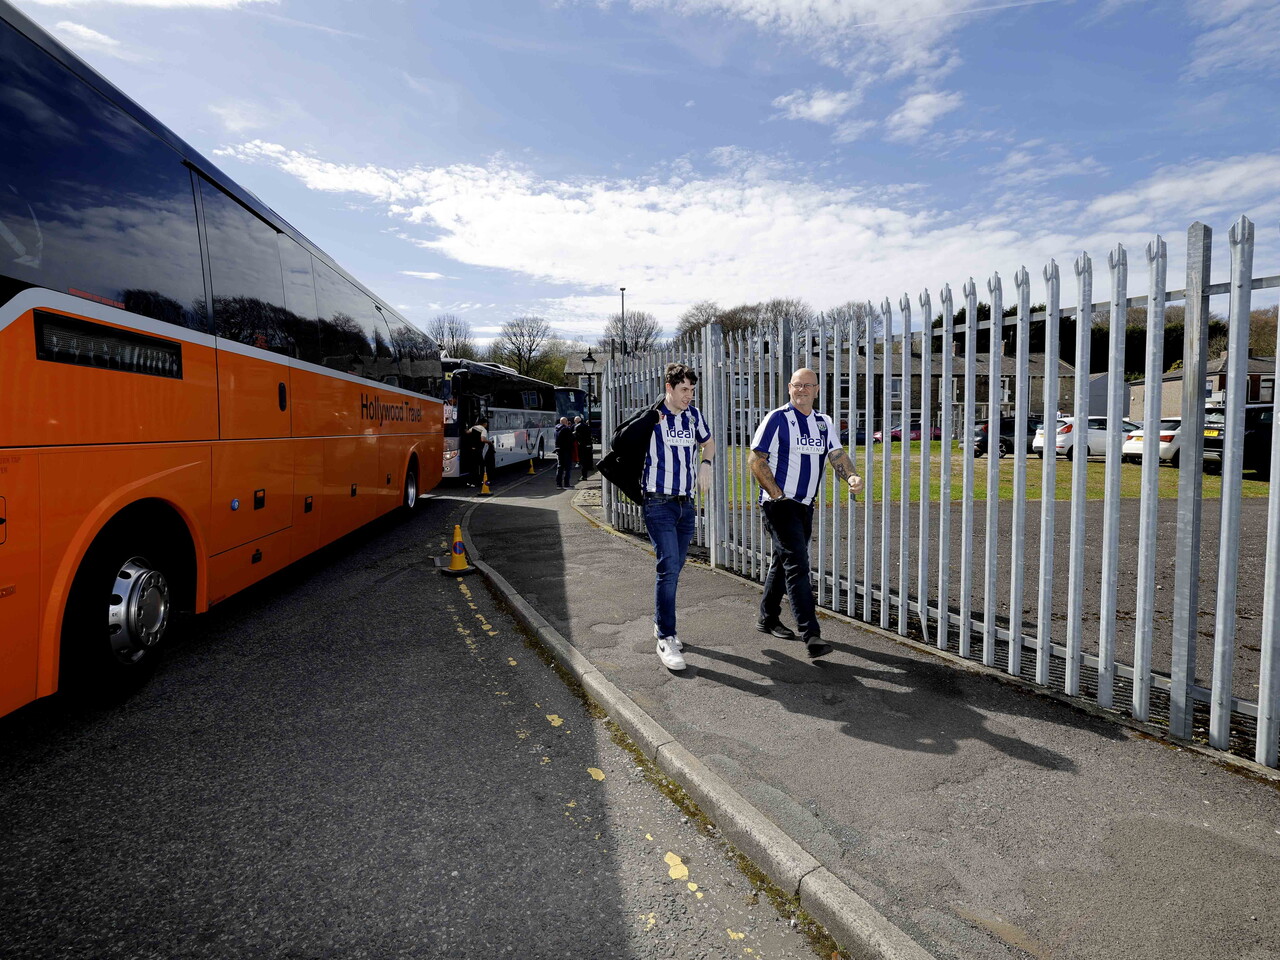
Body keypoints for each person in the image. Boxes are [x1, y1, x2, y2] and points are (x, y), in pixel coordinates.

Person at [604, 363, 714, 671]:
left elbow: (708, 442)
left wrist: (706, 462)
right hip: (658, 504)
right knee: (668, 568)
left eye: (692, 390)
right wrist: (651, 417)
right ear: (669, 388)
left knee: (676, 567)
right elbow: (619, 443)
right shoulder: (653, 416)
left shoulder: (694, 416)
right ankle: (666, 636)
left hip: (685, 505)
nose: (689, 396)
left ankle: (660, 621)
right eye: (684, 390)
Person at [749, 367, 863, 660]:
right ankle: (811, 633)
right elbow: (756, 459)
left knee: (783, 560)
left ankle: (767, 617)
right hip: (779, 504)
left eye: (807, 386)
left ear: (817, 390)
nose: (802, 390)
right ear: (789, 388)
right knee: (797, 563)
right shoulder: (777, 419)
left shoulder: (823, 423)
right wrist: (777, 494)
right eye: (797, 385)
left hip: (805, 505)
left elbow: (836, 455)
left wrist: (850, 477)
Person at [468, 417, 494, 488]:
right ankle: (480, 481)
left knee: (473, 466)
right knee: (481, 465)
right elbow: (482, 439)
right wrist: (489, 442)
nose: (486, 425)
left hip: (472, 449)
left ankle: (470, 482)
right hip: (478, 450)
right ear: (484, 424)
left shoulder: (473, 427)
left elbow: (467, 432)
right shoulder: (483, 430)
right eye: (486, 424)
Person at [554, 416, 575, 488]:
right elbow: (571, 439)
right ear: (566, 422)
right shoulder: (566, 429)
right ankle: (566, 484)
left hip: (559, 449)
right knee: (567, 467)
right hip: (566, 450)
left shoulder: (556, 429)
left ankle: (558, 484)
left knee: (560, 467)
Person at [573, 415, 593, 481]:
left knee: (582, 461)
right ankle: (588, 470)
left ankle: (584, 476)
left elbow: (575, 436)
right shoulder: (587, 426)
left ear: (576, 421)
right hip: (588, 445)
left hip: (582, 446)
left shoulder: (577, 426)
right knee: (587, 459)